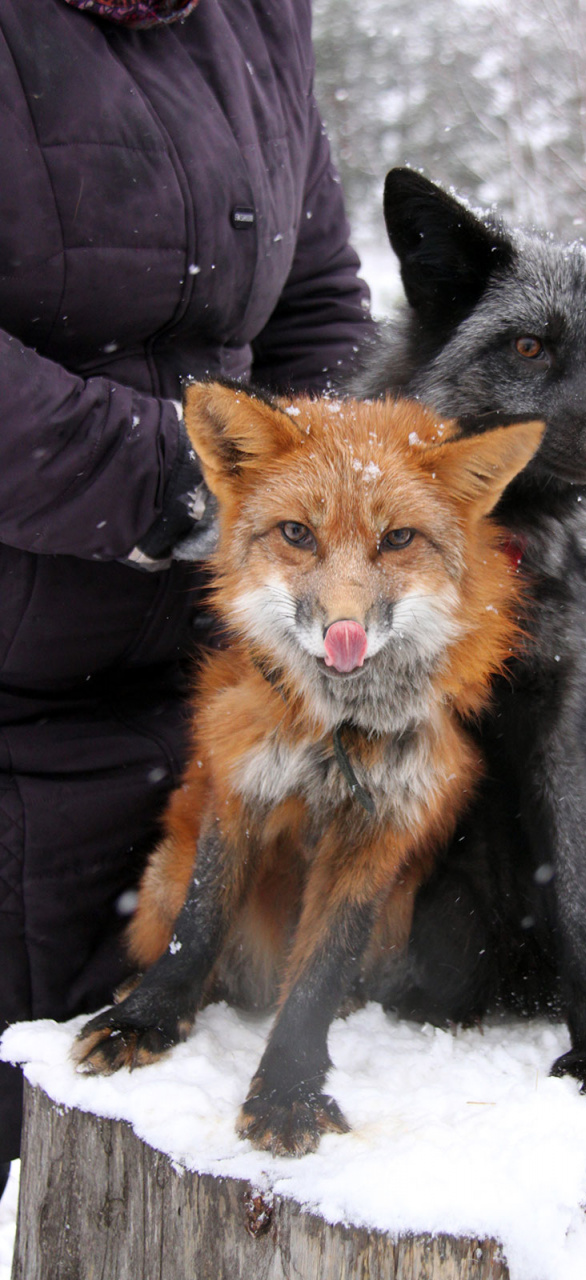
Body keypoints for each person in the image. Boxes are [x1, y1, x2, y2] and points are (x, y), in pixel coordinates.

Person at [0, 0, 372, 1180]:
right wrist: (176, 476)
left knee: (165, 1161)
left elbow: (315, 299)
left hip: (221, 695)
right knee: (32, 1147)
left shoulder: (258, 17)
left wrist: (339, 491)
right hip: (20, 710)